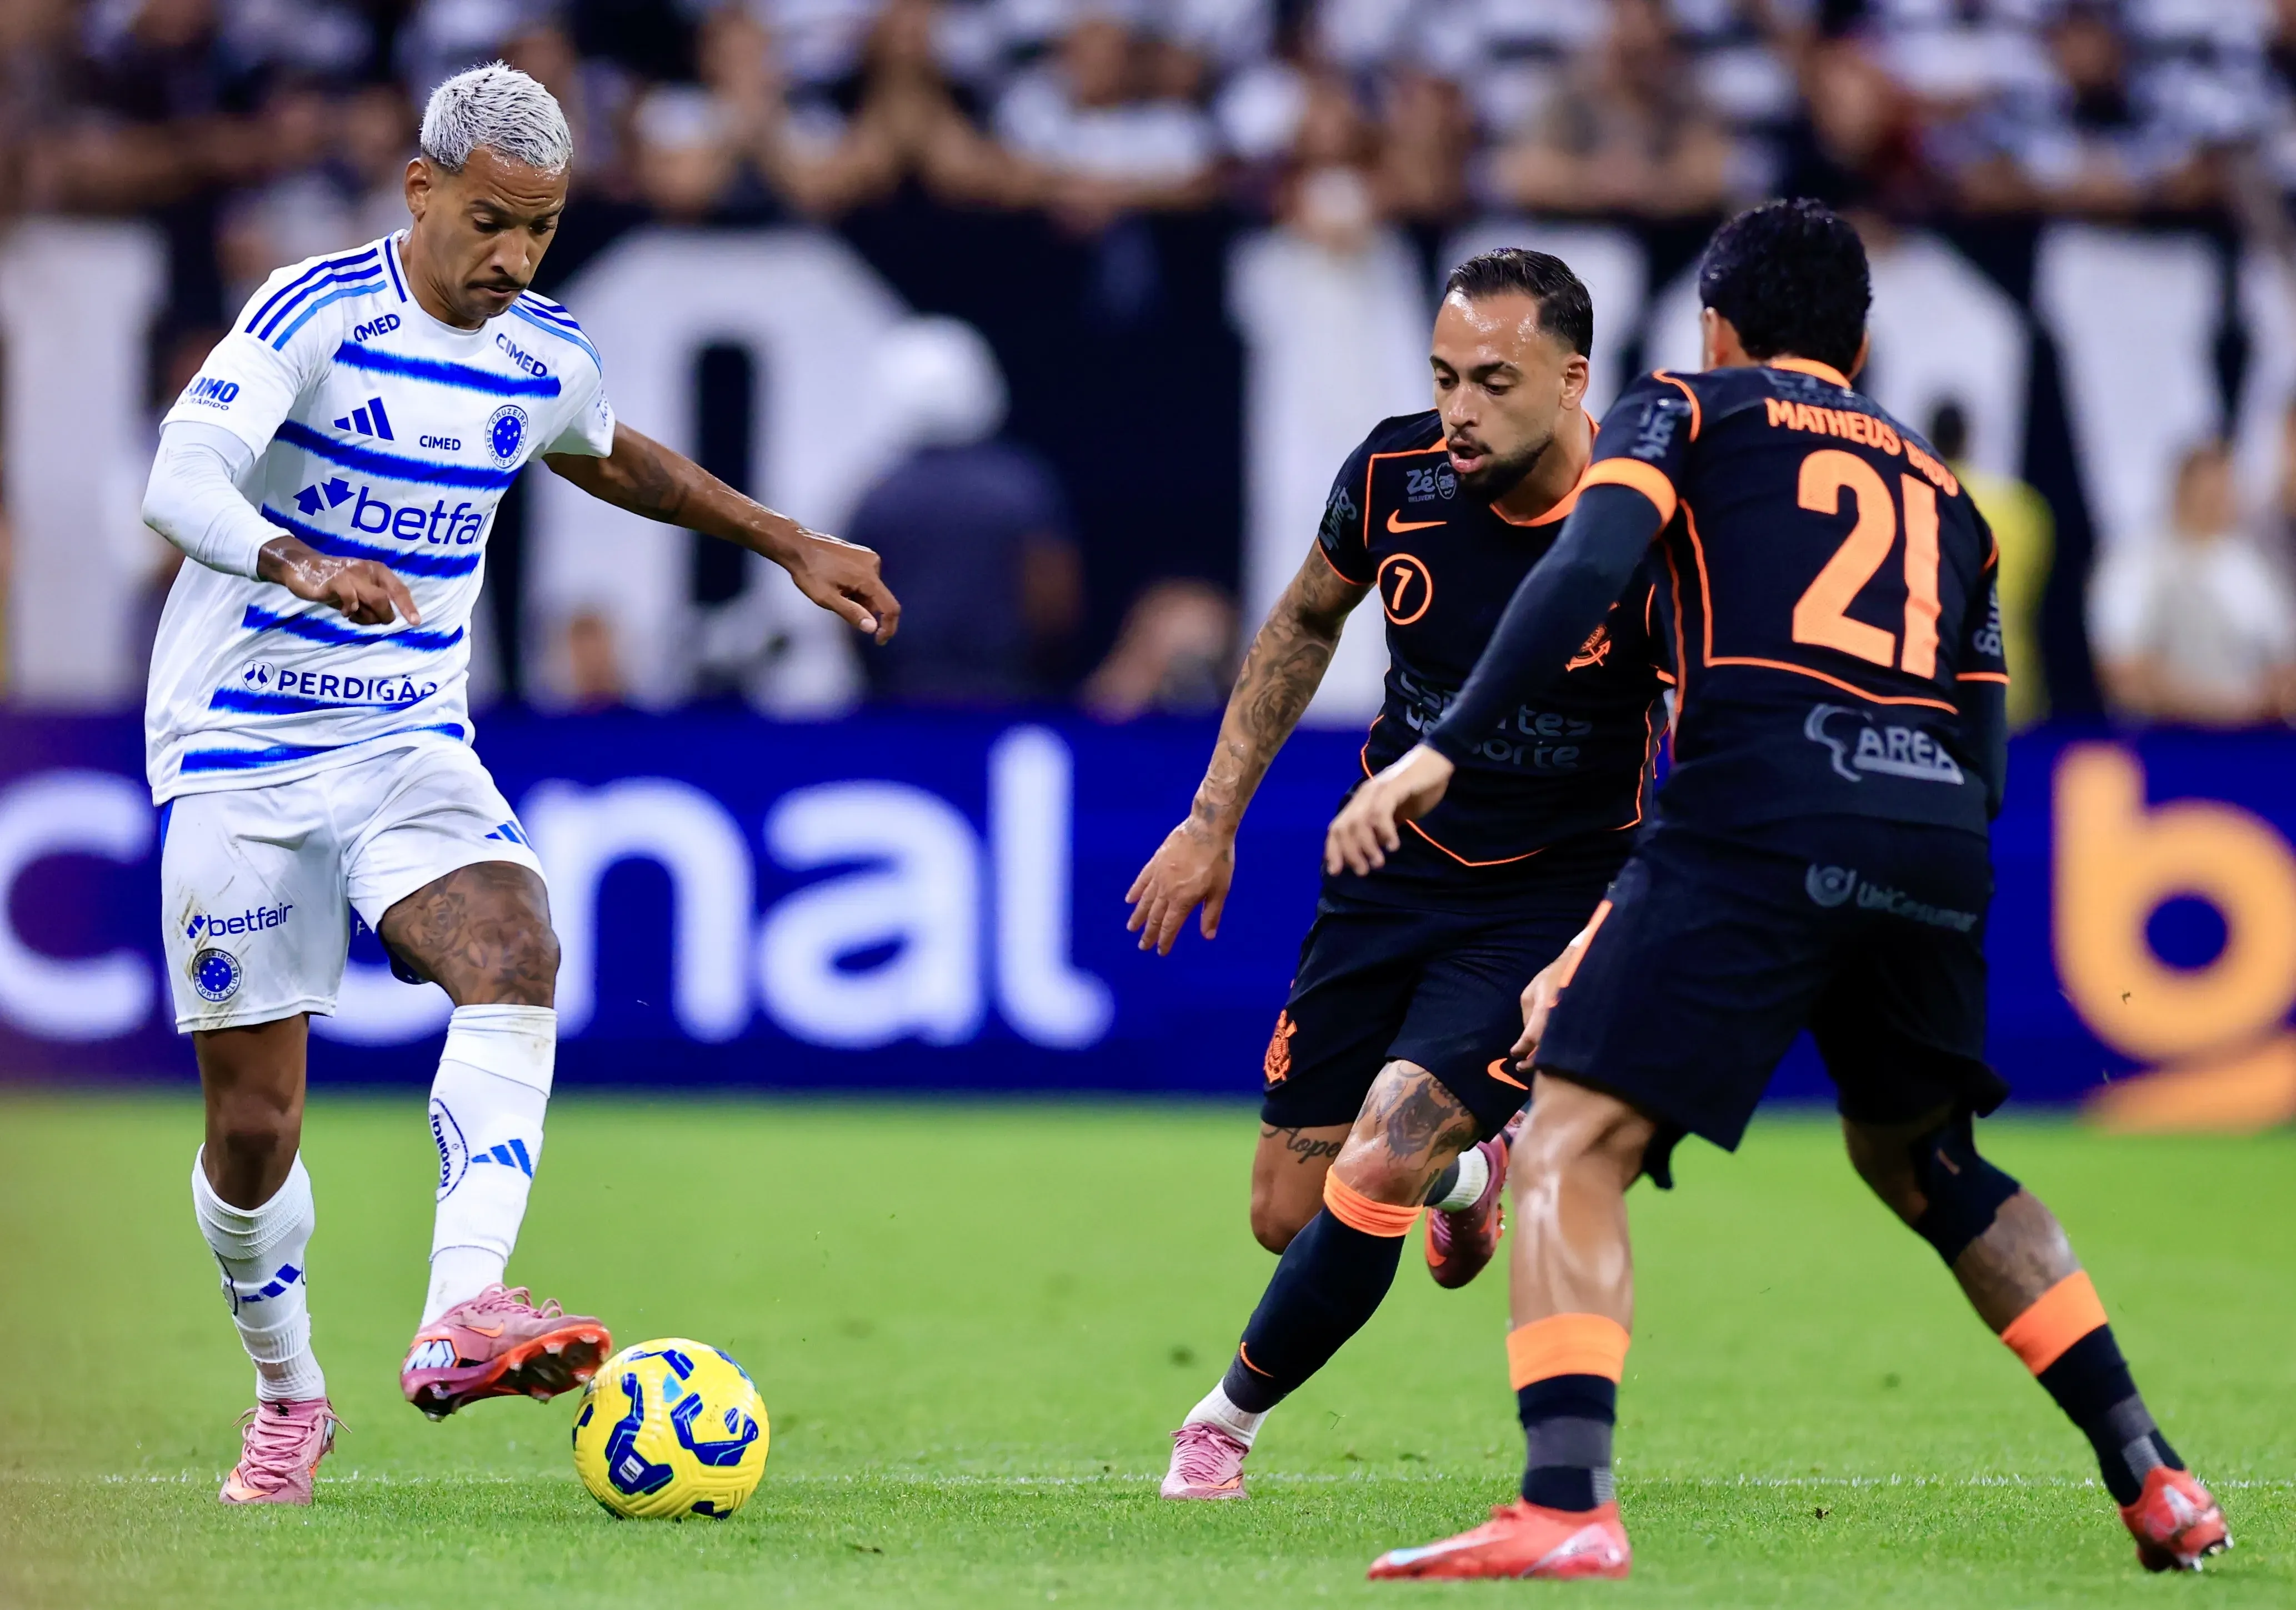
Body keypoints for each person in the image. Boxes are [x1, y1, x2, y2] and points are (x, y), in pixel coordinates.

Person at [1329, 200, 2227, 1579]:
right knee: (1926, 1161)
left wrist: (1444, 747)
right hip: (1930, 830)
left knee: (1570, 1137)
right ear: (1859, 343)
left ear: (1714, 325)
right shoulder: (1948, 493)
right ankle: (2150, 1473)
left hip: (1757, 803)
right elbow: (1983, 743)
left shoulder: (1684, 409)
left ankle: (1565, 1504)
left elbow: (1588, 561)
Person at [139, 62, 898, 1507]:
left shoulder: (536, 347)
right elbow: (181, 477)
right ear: (421, 191)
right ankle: (289, 1394)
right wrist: (300, 562)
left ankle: (458, 1310)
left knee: (516, 949)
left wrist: (783, 539)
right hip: (239, 748)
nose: (510, 257)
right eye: (489, 220)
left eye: (539, 230)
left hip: (409, 742)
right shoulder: (314, 310)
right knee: (253, 1132)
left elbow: (609, 455)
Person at [1125, 249, 1668, 1501]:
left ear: (1572, 380)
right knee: (1284, 1209)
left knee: (1381, 1152)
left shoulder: (1642, 529)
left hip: (1545, 894)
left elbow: (1700, 749)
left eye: (1490, 380)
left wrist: (1619, 931)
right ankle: (1477, 1172)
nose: (1456, 409)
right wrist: (1211, 820)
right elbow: (1307, 618)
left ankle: (1218, 1427)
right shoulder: (1393, 474)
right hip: (1387, 869)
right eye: (1441, 378)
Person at [2090, 439, 2296, 728]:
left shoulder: (2257, 569)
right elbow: (2125, 676)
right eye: (2208, 490)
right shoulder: (2133, 565)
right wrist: (2222, 708)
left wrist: (2260, 702)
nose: (2217, 500)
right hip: (2162, 742)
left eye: (2224, 489)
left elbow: (2287, 670)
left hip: (2251, 743)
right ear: (2181, 490)